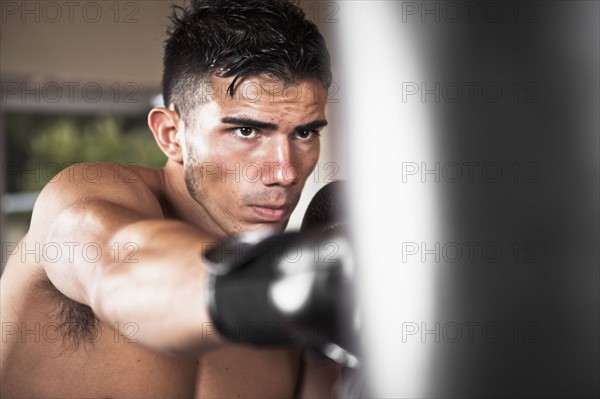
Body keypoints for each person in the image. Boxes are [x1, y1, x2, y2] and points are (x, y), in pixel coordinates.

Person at [0, 0, 340, 397]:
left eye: (304, 133)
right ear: (170, 134)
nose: (285, 172)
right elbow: (115, 266)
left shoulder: (292, 315)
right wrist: (292, 285)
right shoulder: (84, 196)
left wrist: (330, 348)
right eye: (246, 132)